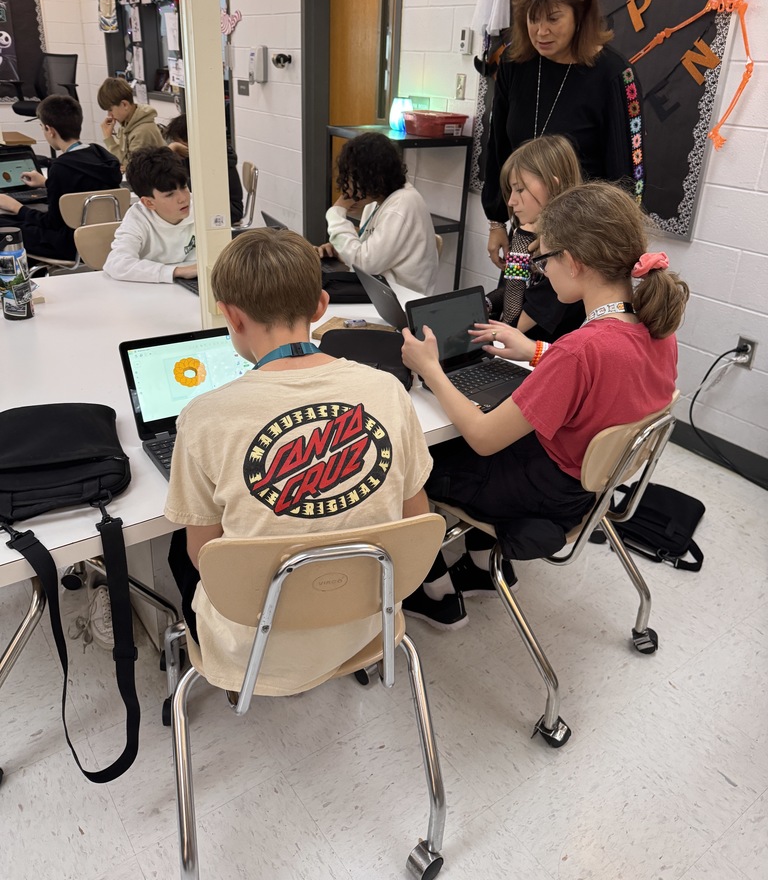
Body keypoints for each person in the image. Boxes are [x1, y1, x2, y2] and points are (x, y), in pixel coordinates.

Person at [400, 182, 688, 629]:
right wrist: (534, 351)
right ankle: (480, 567)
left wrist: (432, 369)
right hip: (587, 488)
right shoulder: (655, 327)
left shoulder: (580, 350)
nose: (543, 270)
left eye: (545, 259)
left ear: (573, 262)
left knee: (413, 456)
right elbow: (608, 373)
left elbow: (482, 437)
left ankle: (432, 588)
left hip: (544, 494)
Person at [164, 228, 433, 696]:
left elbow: (202, 559)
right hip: (369, 624)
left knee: (176, 545)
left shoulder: (203, 417)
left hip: (252, 648)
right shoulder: (388, 391)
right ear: (321, 307)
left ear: (230, 314)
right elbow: (416, 520)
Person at [483, 0, 645, 271]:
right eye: (532, 18)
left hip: (582, 248)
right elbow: (498, 146)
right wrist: (497, 220)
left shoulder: (614, 75)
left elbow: (628, 180)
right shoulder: (516, 64)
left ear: (580, 14)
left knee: (555, 320)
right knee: (510, 314)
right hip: (524, 231)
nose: (541, 31)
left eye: (553, 19)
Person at [486, 134, 584, 341]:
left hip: (538, 360)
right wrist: (484, 304)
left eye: (520, 190)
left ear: (553, 186)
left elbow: (513, 322)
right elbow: (515, 291)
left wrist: (521, 242)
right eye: (510, 190)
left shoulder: (564, 256)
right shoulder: (534, 233)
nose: (511, 201)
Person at [0, 94, 121, 261]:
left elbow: (52, 223)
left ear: (50, 130)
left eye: (42, 127)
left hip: (69, 245)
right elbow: (83, 185)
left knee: (6, 225)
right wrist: (47, 183)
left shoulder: (61, 167)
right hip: (106, 238)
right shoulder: (102, 156)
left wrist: (16, 208)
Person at [320, 131, 439, 294]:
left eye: (352, 177)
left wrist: (336, 211)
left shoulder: (401, 206)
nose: (347, 186)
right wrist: (340, 250)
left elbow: (364, 264)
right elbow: (365, 252)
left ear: (374, 177)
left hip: (404, 301)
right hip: (382, 292)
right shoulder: (376, 203)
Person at [103, 147, 196, 283]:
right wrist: (177, 272)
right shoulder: (138, 218)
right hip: (149, 291)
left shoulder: (200, 208)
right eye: (170, 194)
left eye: (184, 187)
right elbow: (117, 263)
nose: (183, 198)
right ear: (148, 203)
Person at [162, 113, 244, 225]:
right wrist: (171, 150)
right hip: (206, 208)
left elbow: (192, 189)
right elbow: (160, 172)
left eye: (178, 143)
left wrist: (171, 150)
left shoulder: (216, 159)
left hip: (228, 211)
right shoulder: (189, 156)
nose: (178, 146)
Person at [96, 76, 165, 169]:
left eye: (110, 110)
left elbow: (132, 169)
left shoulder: (142, 131)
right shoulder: (126, 124)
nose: (109, 115)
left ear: (125, 105)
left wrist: (109, 139)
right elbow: (123, 162)